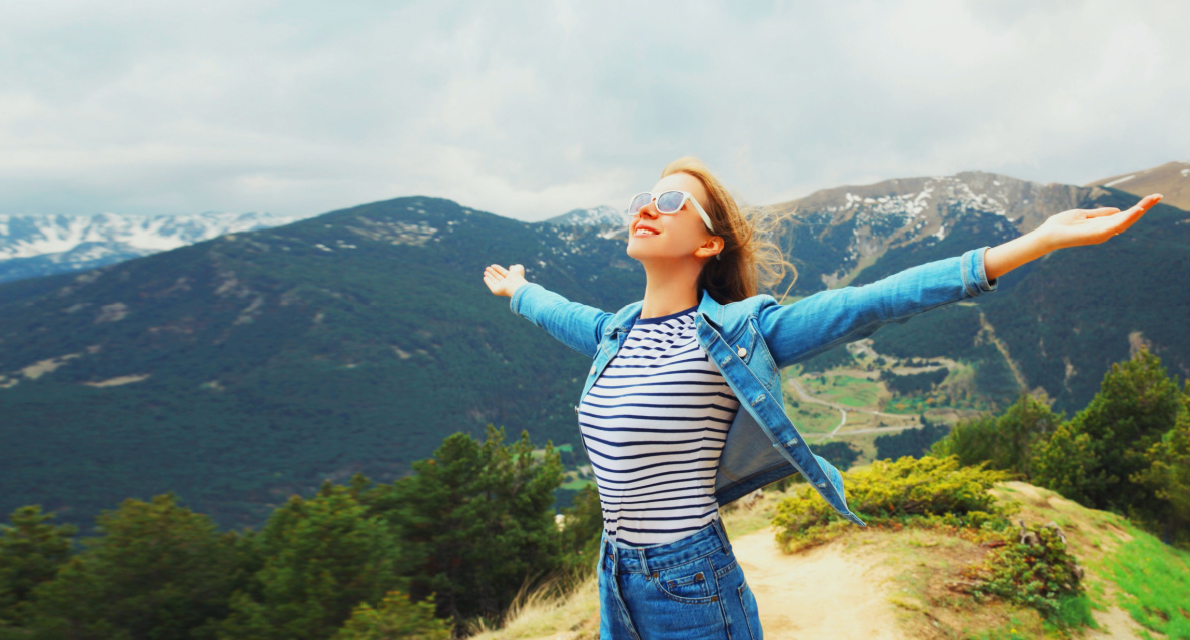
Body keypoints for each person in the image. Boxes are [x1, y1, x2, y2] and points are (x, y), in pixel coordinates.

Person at [483, 157, 1161, 640]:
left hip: (690, 584)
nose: (644, 209)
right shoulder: (615, 331)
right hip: (614, 573)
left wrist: (1035, 242)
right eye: (643, 198)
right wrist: (518, 290)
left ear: (708, 242)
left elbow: (872, 302)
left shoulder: (739, 332)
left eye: (668, 203)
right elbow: (556, 309)